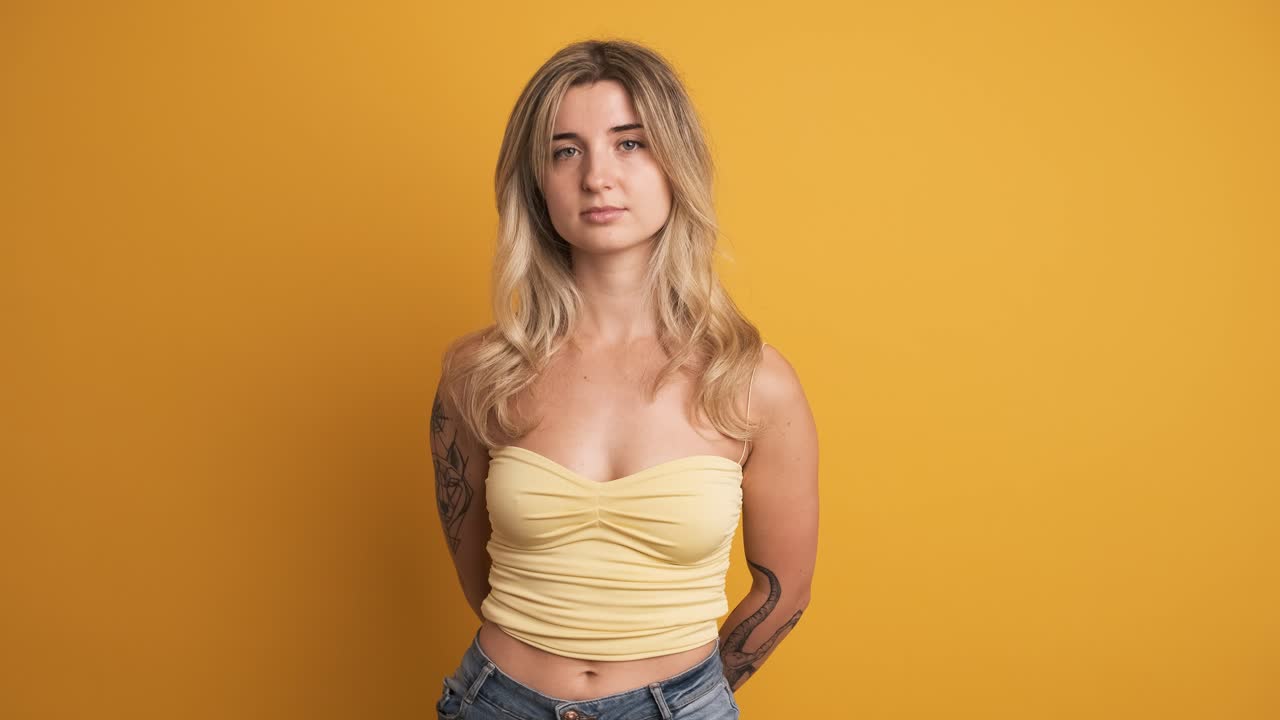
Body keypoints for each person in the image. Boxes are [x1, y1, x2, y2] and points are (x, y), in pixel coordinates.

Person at [430, 38, 819, 720]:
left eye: (630, 143)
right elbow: (480, 571)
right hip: (496, 702)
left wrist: (687, 699)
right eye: (565, 149)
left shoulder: (752, 380)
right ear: (537, 181)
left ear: (676, 164)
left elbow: (784, 590)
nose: (597, 177)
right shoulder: (479, 374)